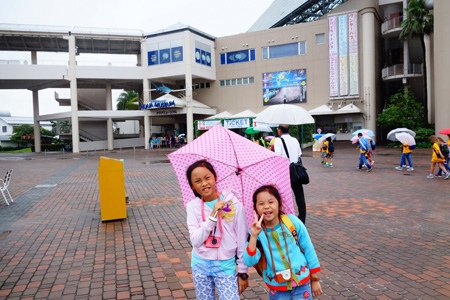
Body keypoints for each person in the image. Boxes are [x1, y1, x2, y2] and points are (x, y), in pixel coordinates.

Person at [244, 185, 323, 300]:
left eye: (271, 202)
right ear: (255, 208)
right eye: (261, 204)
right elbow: (249, 261)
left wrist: (315, 279)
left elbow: (308, 248)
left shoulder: (292, 221)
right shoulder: (256, 232)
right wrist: (254, 236)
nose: (266, 207)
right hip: (277, 289)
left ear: (279, 203)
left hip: (301, 284)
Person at [185, 159, 249, 299]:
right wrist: (212, 216)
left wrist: (243, 271)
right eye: (198, 181)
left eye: (207, 178)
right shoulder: (192, 206)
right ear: (192, 186)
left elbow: (242, 239)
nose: (204, 183)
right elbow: (195, 240)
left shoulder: (233, 203)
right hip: (200, 264)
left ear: (215, 177)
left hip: (225, 266)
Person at [273, 124, 307, 224]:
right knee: (299, 196)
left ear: (279, 130)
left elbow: (278, 156)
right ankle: (302, 219)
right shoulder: (295, 140)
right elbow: (299, 154)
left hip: (284, 172)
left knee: (283, 196)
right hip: (296, 172)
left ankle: (285, 218)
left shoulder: (278, 141)